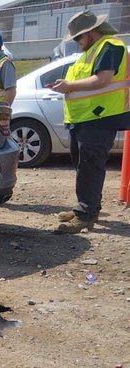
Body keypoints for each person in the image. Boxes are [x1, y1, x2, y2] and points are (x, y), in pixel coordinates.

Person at [50, 11, 130, 234]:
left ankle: (86, 215)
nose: (76, 42)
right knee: (83, 166)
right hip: (85, 118)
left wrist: (69, 86)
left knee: (89, 167)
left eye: (77, 38)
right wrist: (67, 84)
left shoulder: (110, 46)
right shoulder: (93, 50)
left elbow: (102, 79)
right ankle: (86, 208)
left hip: (99, 117)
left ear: (90, 33)